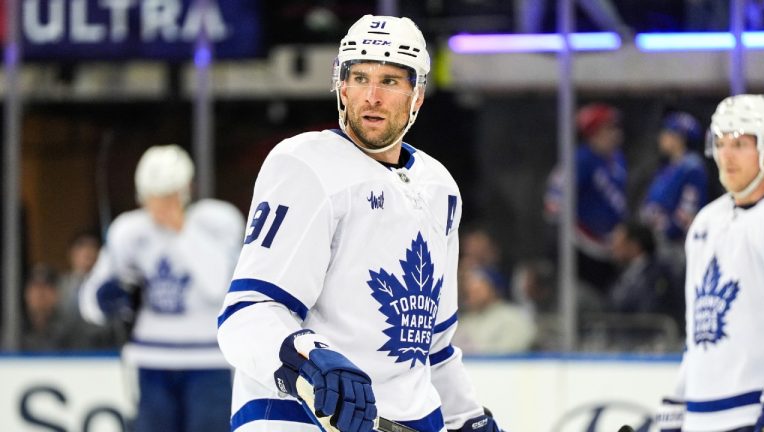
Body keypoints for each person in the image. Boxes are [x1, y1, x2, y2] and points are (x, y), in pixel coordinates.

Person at [216, 15, 504, 432]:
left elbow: (434, 346)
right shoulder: (304, 166)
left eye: (390, 81)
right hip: (300, 418)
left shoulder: (439, 187)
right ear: (342, 85)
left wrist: (467, 418)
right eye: (360, 77)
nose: (372, 96)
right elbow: (247, 313)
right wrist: (310, 359)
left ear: (417, 95)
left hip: (412, 419)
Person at [80, 144, 244, 432]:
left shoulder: (219, 221)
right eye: (152, 197)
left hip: (209, 361)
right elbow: (90, 301)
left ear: (186, 189)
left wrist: (182, 229)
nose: (158, 206)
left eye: (167, 196)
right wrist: (104, 298)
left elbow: (219, 285)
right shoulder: (129, 230)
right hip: (151, 361)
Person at [655, 95, 764, 432]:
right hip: (700, 414)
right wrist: (679, 398)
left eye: (740, 144)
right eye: (720, 143)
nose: (726, 155)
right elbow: (698, 325)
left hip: (750, 411)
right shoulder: (706, 222)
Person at [544, 103, 627, 294]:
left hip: (610, 244)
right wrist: (565, 231)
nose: (615, 133)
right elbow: (554, 200)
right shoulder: (580, 159)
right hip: (583, 244)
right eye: (609, 128)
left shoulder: (617, 159)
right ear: (593, 132)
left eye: (615, 127)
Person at [640, 111, 708, 271]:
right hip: (658, 242)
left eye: (667, 133)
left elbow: (687, 213)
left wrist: (664, 229)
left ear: (679, 138)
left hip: (676, 247)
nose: (662, 137)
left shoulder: (692, 167)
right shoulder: (669, 166)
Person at [453, 266, 536, 354]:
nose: (472, 293)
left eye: (478, 289)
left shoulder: (513, 316)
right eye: (469, 291)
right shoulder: (465, 320)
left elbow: (511, 350)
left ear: (494, 289)